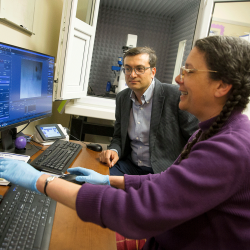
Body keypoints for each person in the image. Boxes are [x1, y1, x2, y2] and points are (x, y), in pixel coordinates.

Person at [1, 36, 250, 249]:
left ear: (222, 85)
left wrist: (41, 180)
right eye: (127, 69)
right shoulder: (214, 131)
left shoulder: (229, 148)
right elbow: (166, 179)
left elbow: (138, 211)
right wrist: (108, 180)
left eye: (189, 71)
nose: (178, 78)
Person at [99, 46, 198, 176]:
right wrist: (114, 150)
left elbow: (196, 139)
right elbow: (118, 136)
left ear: (153, 71)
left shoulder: (175, 95)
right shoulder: (122, 98)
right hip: (130, 166)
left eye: (139, 69)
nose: (132, 75)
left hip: (164, 171)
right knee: (92, 182)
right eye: (128, 69)